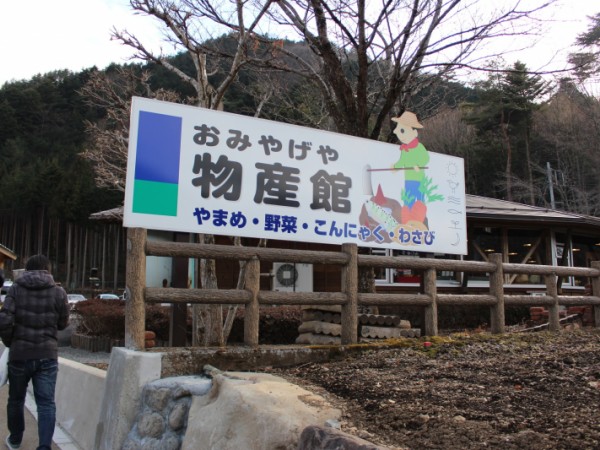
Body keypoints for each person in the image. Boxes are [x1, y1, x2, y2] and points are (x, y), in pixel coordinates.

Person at [0, 255, 69, 450]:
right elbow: (63, 323)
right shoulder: (59, 292)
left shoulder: (15, 289)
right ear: (48, 270)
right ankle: (44, 446)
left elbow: (4, 322)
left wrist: (10, 342)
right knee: (46, 403)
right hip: (47, 355)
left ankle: (15, 440)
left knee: (15, 399)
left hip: (19, 354)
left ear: (26, 270)